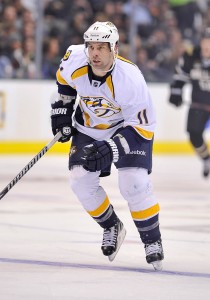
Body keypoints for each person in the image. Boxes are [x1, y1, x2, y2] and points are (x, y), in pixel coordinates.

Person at [50, 21, 164, 270]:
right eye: (91, 46)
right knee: (79, 179)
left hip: (127, 129)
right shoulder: (74, 58)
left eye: (102, 47)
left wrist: (112, 148)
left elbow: (143, 126)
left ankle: (152, 241)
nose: (95, 53)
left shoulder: (130, 79)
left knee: (133, 183)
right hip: (89, 128)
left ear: (115, 49)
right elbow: (64, 83)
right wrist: (61, 112)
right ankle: (112, 225)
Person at [169, 27, 210, 178]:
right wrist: (176, 91)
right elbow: (180, 76)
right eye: (205, 42)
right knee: (194, 135)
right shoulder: (191, 55)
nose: (207, 46)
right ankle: (206, 159)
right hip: (199, 103)